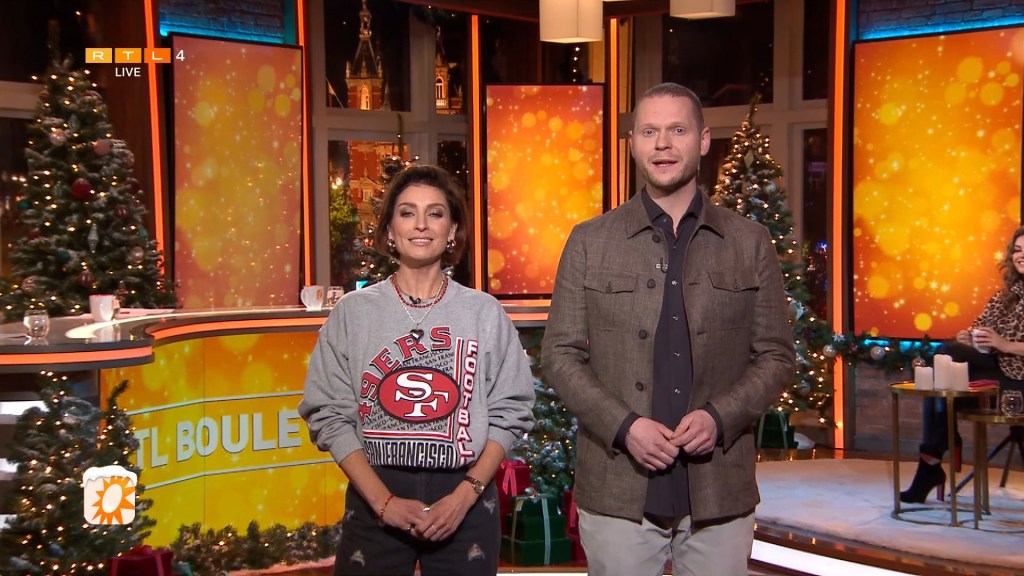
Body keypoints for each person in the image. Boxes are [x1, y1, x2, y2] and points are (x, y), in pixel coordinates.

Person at [542, 82, 795, 576]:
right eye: (649, 132)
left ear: (703, 141)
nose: (662, 144)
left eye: (677, 130)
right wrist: (625, 426)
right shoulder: (590, 241)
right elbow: (560, 355)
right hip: (618, 489)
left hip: (719, 491)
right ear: (632, 144)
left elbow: (776, 356)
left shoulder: (749, 241)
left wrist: (720, 417)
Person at [299, 164, 535, 576]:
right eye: (407, 212)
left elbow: (512, 410)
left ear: (452, 230)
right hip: (374, 497)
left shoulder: (484, 313)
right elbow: (328, 414)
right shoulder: (353, 314)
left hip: (466, 499)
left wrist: (464, 496)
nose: (421, 224)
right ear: (390, 230)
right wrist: (383, 502)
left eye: (435, 213)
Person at [900, 226, 1024, 503]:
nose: (1021, 256)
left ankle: (931, 461)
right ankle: (938, 449)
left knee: (946, 367)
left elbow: (1002, 343)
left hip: (1020, 379)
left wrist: (1004, 344)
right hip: (995, 369)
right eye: (1017, 250)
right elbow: (981, 328)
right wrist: (969, 337)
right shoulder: (1006, 296)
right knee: (946, 358)